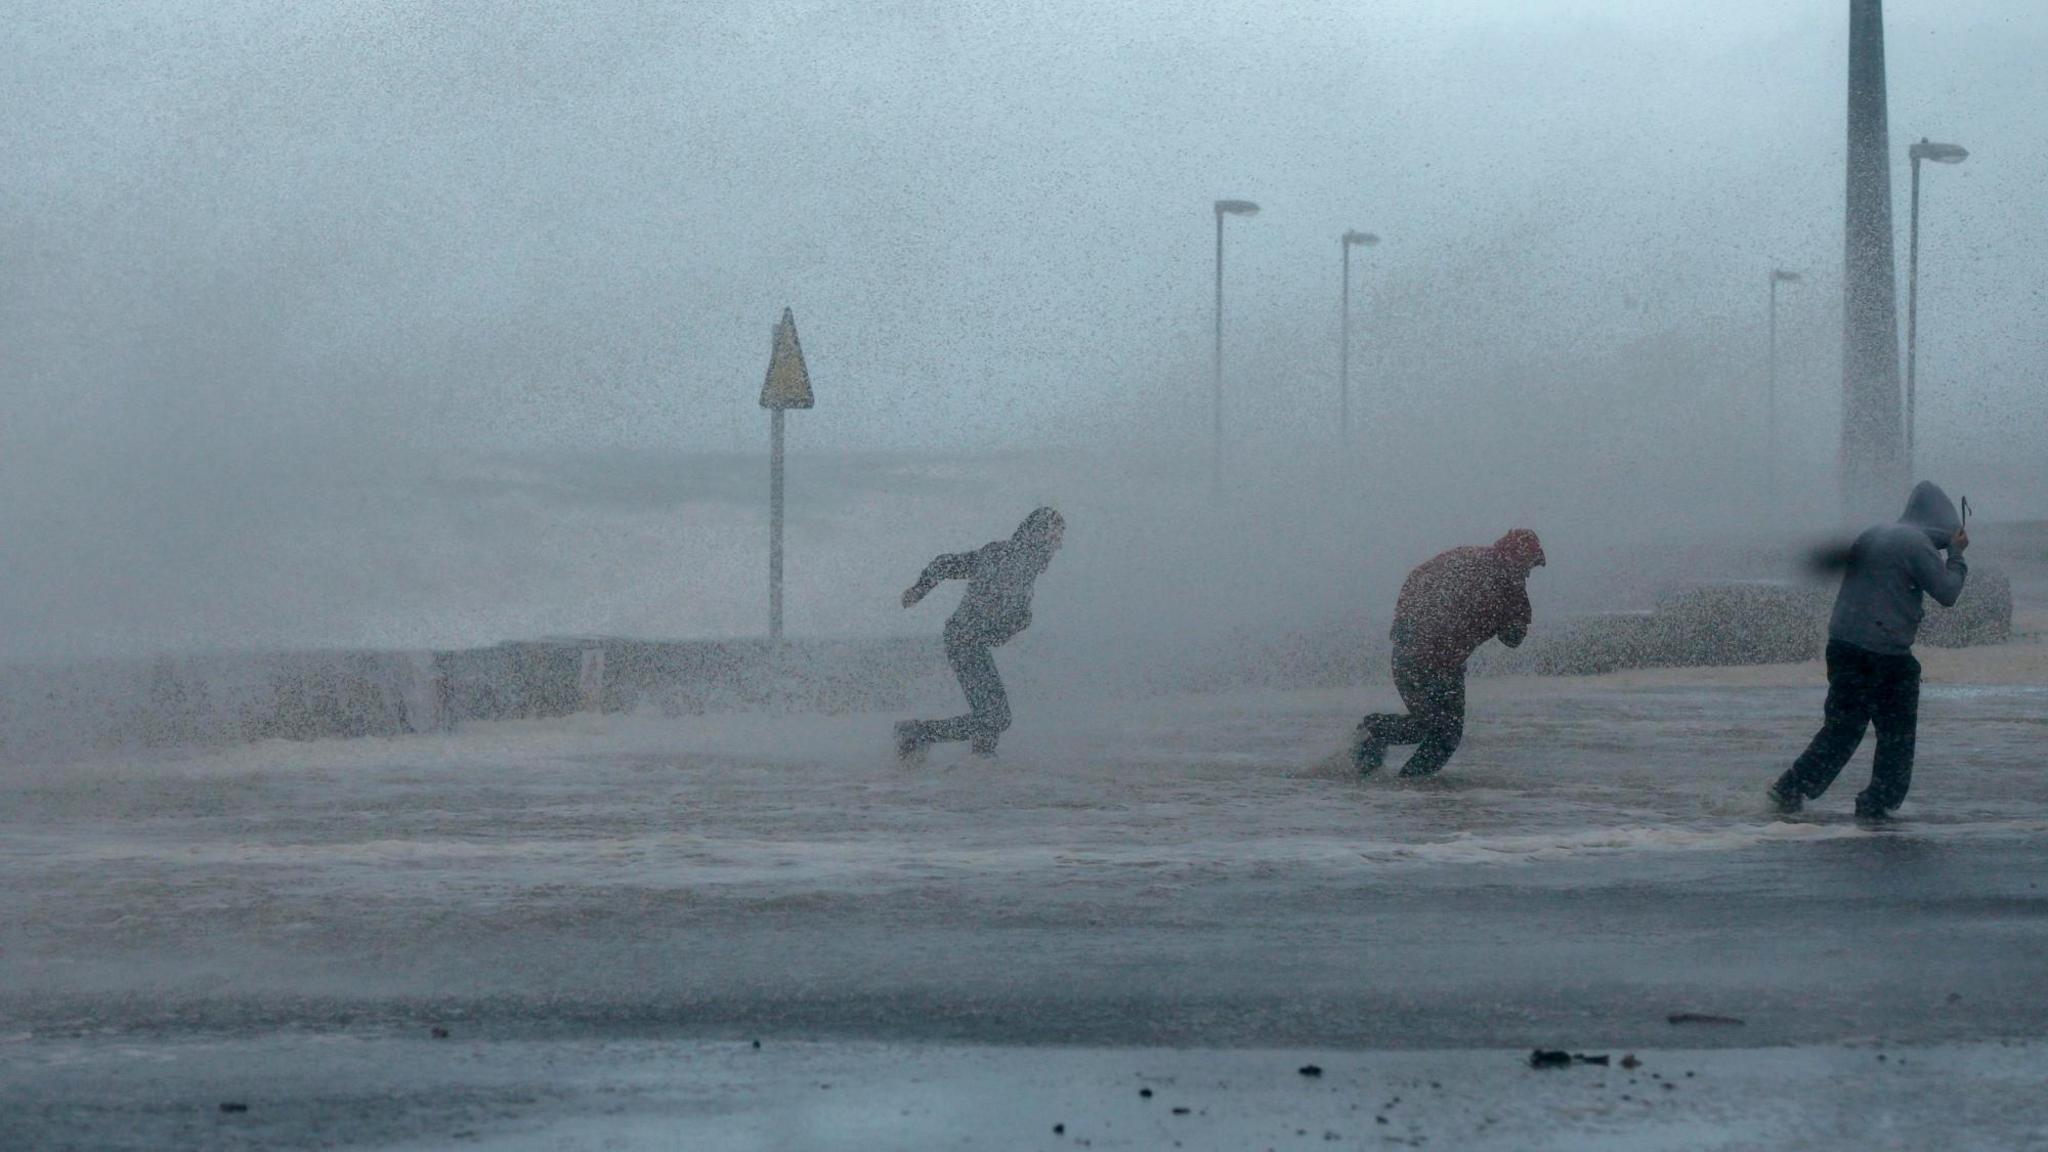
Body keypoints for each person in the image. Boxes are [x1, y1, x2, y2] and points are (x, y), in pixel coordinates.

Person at [1768, 481, 1968, 820]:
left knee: (1843, 727)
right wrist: (1957, 556)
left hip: (1843, 644)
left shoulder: (1876, 532)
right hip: (1885, 654)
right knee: (1897, 735)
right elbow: (1947, 593)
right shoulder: (1917, 544)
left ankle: (1790, 788)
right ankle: (1877, 802)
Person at [1353, 529, 1546, 777]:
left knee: (1443, 733)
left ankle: (1403, 779)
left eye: (1530, 566)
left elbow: (1512, 639)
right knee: (1435, 730)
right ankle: (1384, 756)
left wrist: (1516, 611)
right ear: (1512, 557)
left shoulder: (1504, 587)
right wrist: (1408, 626)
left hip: (1443, 664)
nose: (1528, 572)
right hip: (1417, 656)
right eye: (1526, 564)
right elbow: (1418, 580)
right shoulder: (1480, 569)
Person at [895, 507, 1065, 762]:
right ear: (1037, 535)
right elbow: (946, 564)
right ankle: (919, 732)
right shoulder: (1005, 556)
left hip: (970, 641)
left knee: (989, 715)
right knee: (996, 717)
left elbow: (1000, 618)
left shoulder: (1016, 560)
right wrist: (919, 590)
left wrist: (1014, 623)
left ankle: (982, 762)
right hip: (965, 641)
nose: (1058, 546)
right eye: (1055, 537)